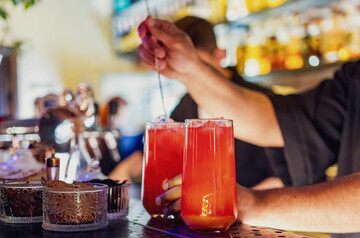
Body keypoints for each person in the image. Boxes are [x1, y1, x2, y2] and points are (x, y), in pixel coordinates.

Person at [138, 16, 360, 238]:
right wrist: (188, 70)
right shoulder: (354, 79)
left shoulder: (258, 91)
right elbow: (281, 121)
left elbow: (293, 169)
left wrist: (251, 203)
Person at [109, 16, 288, 190]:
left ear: (220, 55)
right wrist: (131, 165)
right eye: (183, 67)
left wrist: (243, 203)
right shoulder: (187, 104)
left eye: (198, 65)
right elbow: (164, 150)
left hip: (257, 216)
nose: (193, 74)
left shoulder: (261, 100)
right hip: (199, 214)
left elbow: (286, 178)